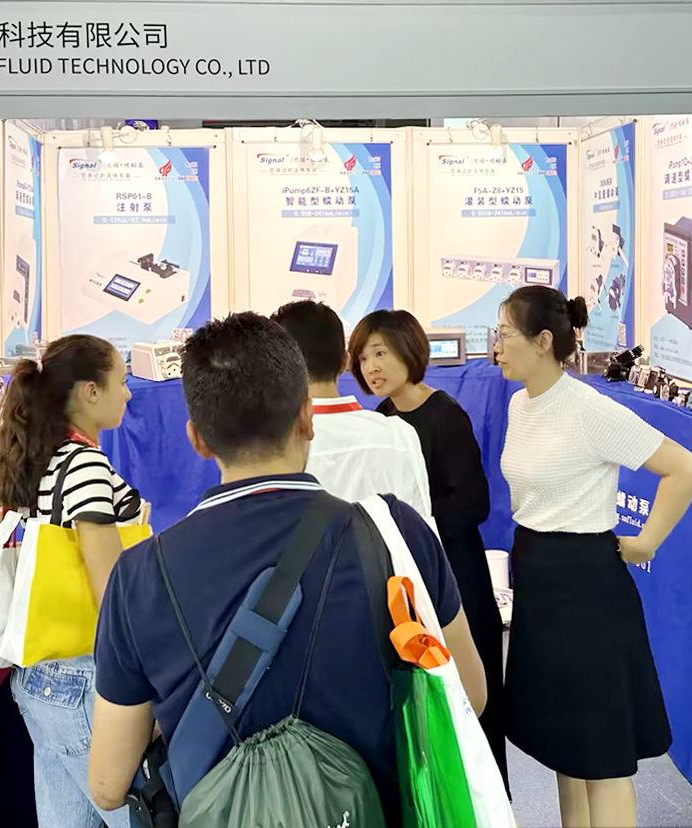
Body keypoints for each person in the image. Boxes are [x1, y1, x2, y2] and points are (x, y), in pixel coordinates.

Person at [85, 313, 487, 823]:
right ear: (307, 418)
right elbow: (469, 695)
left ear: (197, 439)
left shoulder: (140, 574)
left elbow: (107, 784)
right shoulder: (394, 534)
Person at [494, 286, 692, 828]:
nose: (496, 346)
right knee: (565, 746)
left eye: (505, 334)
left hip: (588, 589)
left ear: (543, 341)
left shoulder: (590, 409)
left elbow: (684, 468)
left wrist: (646, 542)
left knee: (603, 755)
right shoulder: (520, 404)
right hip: (537, 577)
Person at [0, 335, 139, 828]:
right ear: (89, 391)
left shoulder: (34, 460)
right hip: (83, 677)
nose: (129, 394)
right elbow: (112, 594)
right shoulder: (86, 466)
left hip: (35, 677)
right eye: (121, 382)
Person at [348, 309, 510, 791]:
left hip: (455, 572)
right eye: (362, 358)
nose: (371, 367)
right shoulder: (380, 420)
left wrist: (412, 523)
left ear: (409, 351)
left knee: (475, 701)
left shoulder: (445, 416)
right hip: (403, 577)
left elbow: (474, 504)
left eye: (380, 353)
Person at [271, 299, 433, 521]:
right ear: (345, 361)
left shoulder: (270, 445)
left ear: (279, 368)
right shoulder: (400, 434)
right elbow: (421, 530)